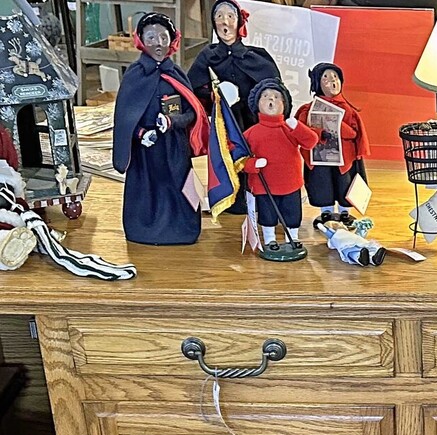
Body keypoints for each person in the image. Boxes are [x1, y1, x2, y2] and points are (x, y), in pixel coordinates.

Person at [113, 13, 209, 245]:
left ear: (173, 41)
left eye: (163, 37)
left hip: (175, 148)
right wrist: (140, 134)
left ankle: (182, 228)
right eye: (151, 37)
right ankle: (144, 229)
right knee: (148, 190)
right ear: (141, 40)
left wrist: (172, 122)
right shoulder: (134, 76)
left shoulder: (177, 75)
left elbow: (191, 113)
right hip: (146, 152)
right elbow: (125, 118)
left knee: (179, 189)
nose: (158, 43)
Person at [189, 0, 281, 213]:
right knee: (228, 161)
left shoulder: (257, 56)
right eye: (219, 17)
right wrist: (216, 96)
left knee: (256, 160)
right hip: (225, 126)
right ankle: (232, 200)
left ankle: (260, 197)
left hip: (252, 122)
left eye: (230, 16)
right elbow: (192, 89)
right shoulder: (208, 56)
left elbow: (274, 89)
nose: (225, 22)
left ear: (239, 21)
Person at [242, 78, 318, 250]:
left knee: (292, 212)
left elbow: (311, 141)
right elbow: (238, 158)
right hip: (263, 184)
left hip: (290, 183)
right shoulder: (251, 133)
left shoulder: (289, 129)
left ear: (284, 104)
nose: (271, 100)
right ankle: (270, 240)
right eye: (266, 96)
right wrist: (252, 164)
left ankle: (293, 237)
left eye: (277, 97)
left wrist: (297, 127)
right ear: (257, 103)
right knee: (267, 214)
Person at [295, 63, 369, 227]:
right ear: (317, 84)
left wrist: (338, 125)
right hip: (319, 157)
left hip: (344, 158)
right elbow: (302, 131)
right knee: (322, 183)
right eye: (326, 78)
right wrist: (320, 132)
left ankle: (344, 212)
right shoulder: (309, 110)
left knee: (345, 183)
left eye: (335, 77)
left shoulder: (348, 110)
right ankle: (326, 211)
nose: (333, 81)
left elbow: (354, 133)